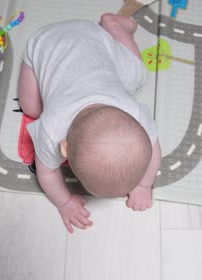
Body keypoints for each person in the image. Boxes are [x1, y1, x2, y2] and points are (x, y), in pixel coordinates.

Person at [17, 13, 161, 233]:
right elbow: (47, 173)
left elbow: (153, 150)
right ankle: (114, 27)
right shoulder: (51, 131)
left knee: (138, 75)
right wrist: (64, 202)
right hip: (45, 44)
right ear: (64, 148)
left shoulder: (135, 114)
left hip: (96, 38)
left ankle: (113, 26)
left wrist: (143, 185)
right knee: (32, 109)